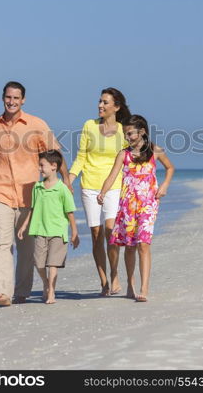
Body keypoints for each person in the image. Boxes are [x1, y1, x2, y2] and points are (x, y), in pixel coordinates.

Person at [0, 81, 71, 306]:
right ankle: (2, 292)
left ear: (23, 100)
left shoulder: (36, 125)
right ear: (3, 98)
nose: (12, 102)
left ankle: (21, 291)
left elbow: (55, 155)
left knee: (27, 247)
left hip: (30, 194)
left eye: (16, 98)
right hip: (0, 192)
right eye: (8, 98)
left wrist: (66, 182)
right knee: (1, 241)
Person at [97, 114, 175, 302]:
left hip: (148, 204)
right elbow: (112, 175)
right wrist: (103, 192)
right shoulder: (124, 154)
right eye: (125, 134)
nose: (127, 137)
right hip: (127, 205)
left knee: (143, 244)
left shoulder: (154, 150)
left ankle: (144, 288)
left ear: (142, 132)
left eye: (130, 133)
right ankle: (130, 285)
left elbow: (170, 168)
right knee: (130, 246)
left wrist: (164, 186)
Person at [69, 87, 131, 296]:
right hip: (89, 185)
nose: (100, 105)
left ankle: (114, 274)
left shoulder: (124, 130)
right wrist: (70, 178)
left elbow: (129, 158)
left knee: (111, 231)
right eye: (99, 101)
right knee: (96, 234)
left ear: (116, 107)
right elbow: (81, 157)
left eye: (105, 102)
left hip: (114, 185)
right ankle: (104, 280)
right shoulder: (89, 126)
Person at [18, 150, 79, 304]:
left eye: (41, 165)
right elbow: (33, 209)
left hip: (58, 231)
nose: (39, 169)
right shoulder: (37, 188)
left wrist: (74, 233)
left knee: (52, 263)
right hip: (39, 230)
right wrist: (24, 225)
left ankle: (51, 291)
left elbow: (70, 212)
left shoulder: (62, 189)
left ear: (53, 166)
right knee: (39, 263)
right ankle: (46, 283)